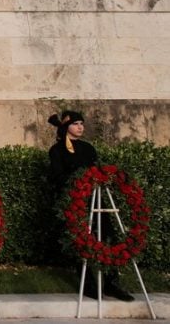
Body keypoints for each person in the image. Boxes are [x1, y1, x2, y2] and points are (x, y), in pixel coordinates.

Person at [48, 110, 134, 302]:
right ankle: (88, 285)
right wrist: (78, 181)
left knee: (108, 237)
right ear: (66, 127)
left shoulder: (88, 148)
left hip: (95, 199)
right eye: (76, 124)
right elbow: (57, 177)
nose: (80, 127)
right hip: (75, 203)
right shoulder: (57, 150)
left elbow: (97, 170)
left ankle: (112, 283)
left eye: (82, 124)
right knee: (81, 242)